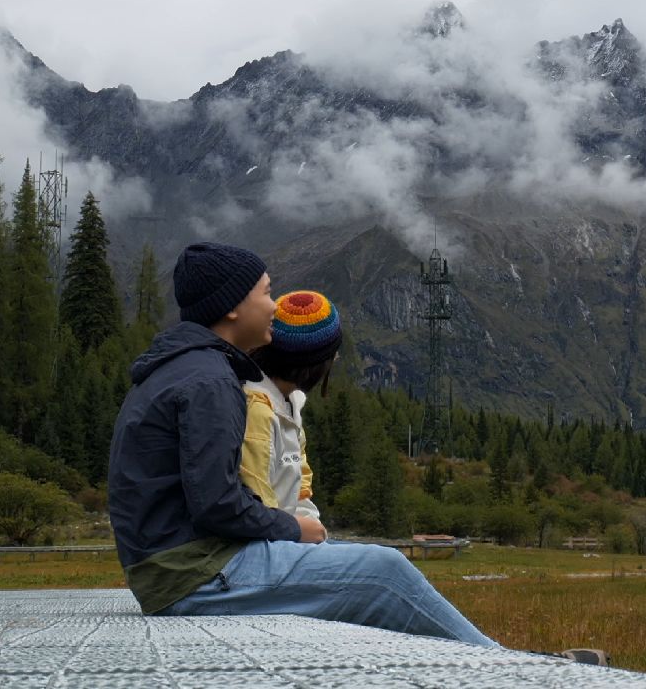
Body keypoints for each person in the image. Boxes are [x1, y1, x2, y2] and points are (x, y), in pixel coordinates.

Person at [106, 242, 498, 647]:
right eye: (265, 292)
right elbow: (217, 505)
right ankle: (504, 667)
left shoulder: (190, 369)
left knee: (351, 557)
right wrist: (292, 527)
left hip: (173, 566)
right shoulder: (211, 382)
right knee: (385, 571)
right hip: (193, 573)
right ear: (232, 308)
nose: (274, 306)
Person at [239, 289, 341, 522]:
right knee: (388, 560)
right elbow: (257, 498)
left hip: (288, 534)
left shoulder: (289, 404)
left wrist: (312, 527)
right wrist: (299, 535)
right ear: (317, 364)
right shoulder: (257, 411)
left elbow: (301, 484)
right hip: (269, 541)